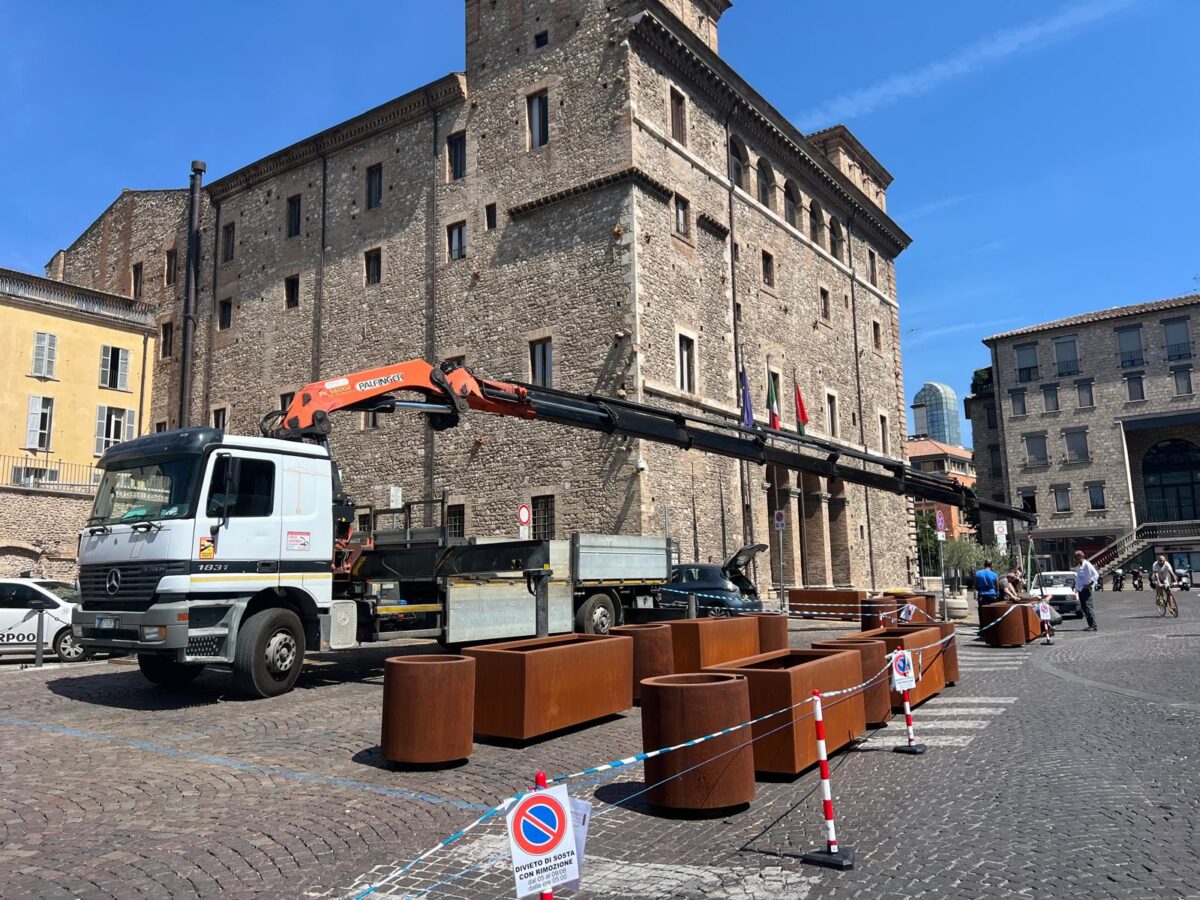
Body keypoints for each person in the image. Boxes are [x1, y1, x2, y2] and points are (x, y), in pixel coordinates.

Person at [1074, 550, 1099, 631]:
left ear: (1080, 557)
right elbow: (1079, 578)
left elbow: (1096, 575)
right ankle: (1090, 624)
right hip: (1080, 589)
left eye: (1075, 557)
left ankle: (1094, 625)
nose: (1075, 559)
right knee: (1084, 608)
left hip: (1086, 589)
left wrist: (1089, 584)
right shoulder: (1080, 566)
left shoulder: (1087, 564)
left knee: (1088, 607)